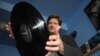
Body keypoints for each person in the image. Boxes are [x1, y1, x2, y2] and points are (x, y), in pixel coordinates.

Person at [6, 15, 83, 56]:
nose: (52, 25)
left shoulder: (67, 38)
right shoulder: (39, 42)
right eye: (49, 23)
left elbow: (79, 54)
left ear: (60, 27)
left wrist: (62, 48)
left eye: (55, 23)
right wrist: (19, 38)